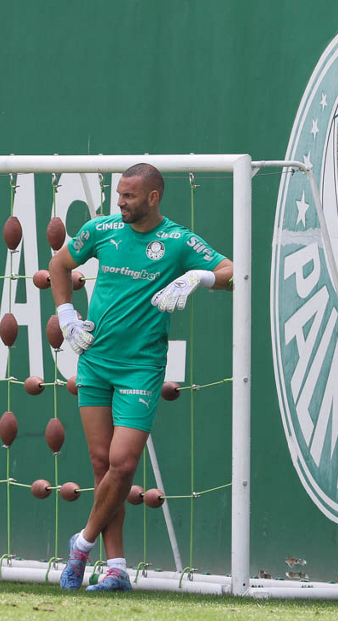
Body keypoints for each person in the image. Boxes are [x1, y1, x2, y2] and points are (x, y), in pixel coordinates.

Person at [47, 163, 233, 592]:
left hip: (141, 366)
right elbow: (59, 265)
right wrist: (66, 313)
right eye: (119, 194)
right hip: (94, 359)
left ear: (153, 197)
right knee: (100, 465)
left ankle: (81, 544)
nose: (121, 202)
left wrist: (199, 278)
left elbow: (232, 272)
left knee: (124, 463)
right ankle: (116, 568)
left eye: (129, 196)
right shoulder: (102, 229)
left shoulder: (177, 241)